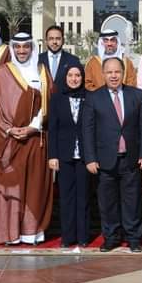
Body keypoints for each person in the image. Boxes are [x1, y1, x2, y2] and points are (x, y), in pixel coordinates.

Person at [82, 57, 142, 252]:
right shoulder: (94, 97)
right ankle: (111, 238)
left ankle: (133, 238)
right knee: (107, 202)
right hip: (104, 161)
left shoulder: (136, 95)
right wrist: (90, 158)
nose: (113, 76)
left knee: (132, 201)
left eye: (117, 72)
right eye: (109, 72)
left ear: (123, 74)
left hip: (131, 159)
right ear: (103, 74)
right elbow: (87, 130)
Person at [0, 33, 53, 245]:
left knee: (34, 185)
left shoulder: (42, 71)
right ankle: (11, 233)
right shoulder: (2, 72)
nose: (22, 51)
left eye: (26, 47)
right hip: (11, 141)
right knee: (13, 186)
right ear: (13, 49)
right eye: (18, 47)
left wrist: (33, 127)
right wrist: (10, 129)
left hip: (36, 139)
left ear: (32, 48)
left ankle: (31, 232)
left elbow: (50, 100)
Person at [47, 63, 91, 249]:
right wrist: (52, 155)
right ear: (65, 77)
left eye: (78, 76)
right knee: (66, 197)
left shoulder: (89, 97)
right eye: (71, 75)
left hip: (84, 156)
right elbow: (53, 129)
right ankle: (67, 236)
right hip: (64, 155)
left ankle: (83, 235)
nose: (74, 79)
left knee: (84, 197)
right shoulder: (57, 99)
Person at [38, 24, 81, 94]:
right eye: (51, 38)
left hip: (65, 103)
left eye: (58, 38)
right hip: (43, 103)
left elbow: (77, 85)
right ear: (46, 41)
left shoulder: (73, 60)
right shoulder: (37, 60)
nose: (54, 42)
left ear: (63, 40)